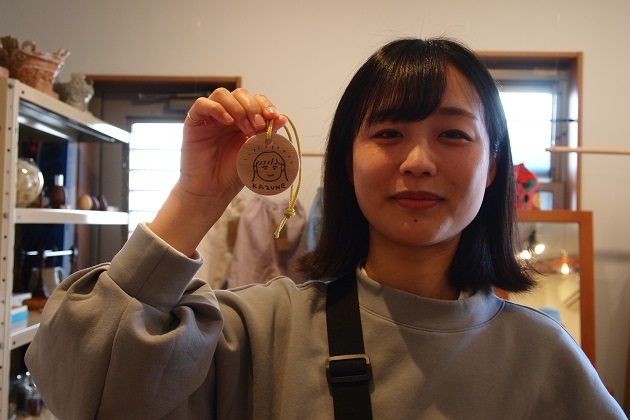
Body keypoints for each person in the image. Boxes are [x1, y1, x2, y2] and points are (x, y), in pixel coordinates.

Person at [25, 37, 626, 419]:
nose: (418, 161)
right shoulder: (261, 331)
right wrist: (195, 197)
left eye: (452, 133)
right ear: (346, 163)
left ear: (492, 167)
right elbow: (84, 394)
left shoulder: (543, 355)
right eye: (388, 133)